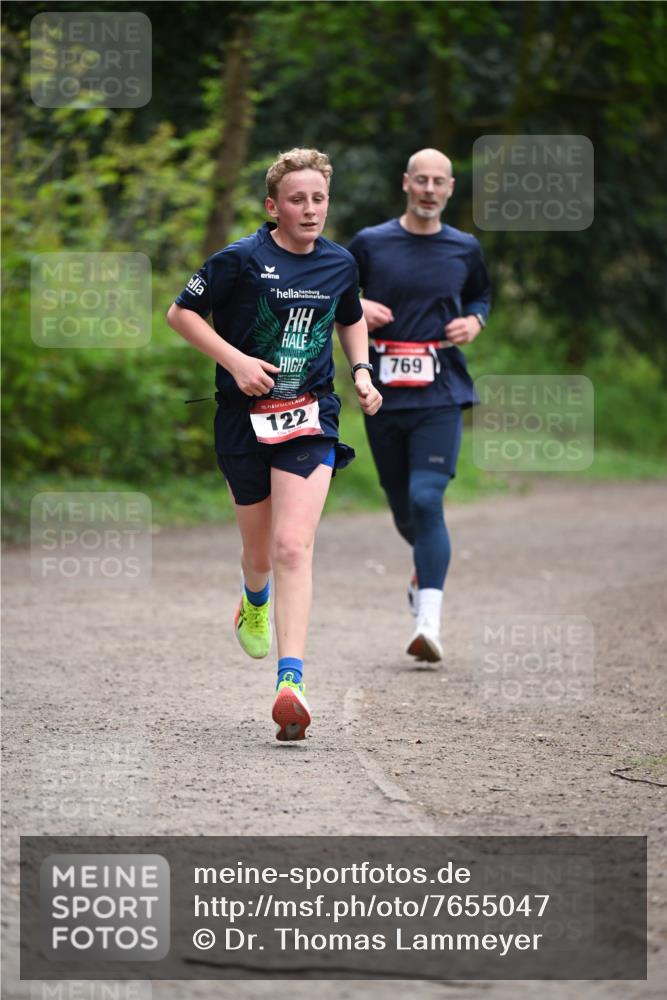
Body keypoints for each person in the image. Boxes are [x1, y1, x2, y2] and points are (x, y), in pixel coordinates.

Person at [167, 148, 382, 741]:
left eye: (318, 199)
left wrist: (361, 372)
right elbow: (180, 314)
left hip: (310, 416)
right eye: (297, 199)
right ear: (273, 206)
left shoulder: (340, 263)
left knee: (293, 546)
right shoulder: (239, 259)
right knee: (259, 554)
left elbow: (351, 315)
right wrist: (235, 362)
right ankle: (253, 597)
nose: (309, 209)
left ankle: (292, 682)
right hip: (242, 421)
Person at [348, 148, 490, 663]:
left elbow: (481, 296)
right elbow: (334, 289)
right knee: (404, 508)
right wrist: (357, 304)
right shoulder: (371, 243)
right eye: (421, 180)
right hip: (381, 390)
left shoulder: (465, 248)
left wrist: (475, 321)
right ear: (406, 183)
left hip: (440, 389)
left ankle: (428, 622)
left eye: (440, 182)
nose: (430, 189)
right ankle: (422, 570)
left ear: (450, 189)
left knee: (427, 498)